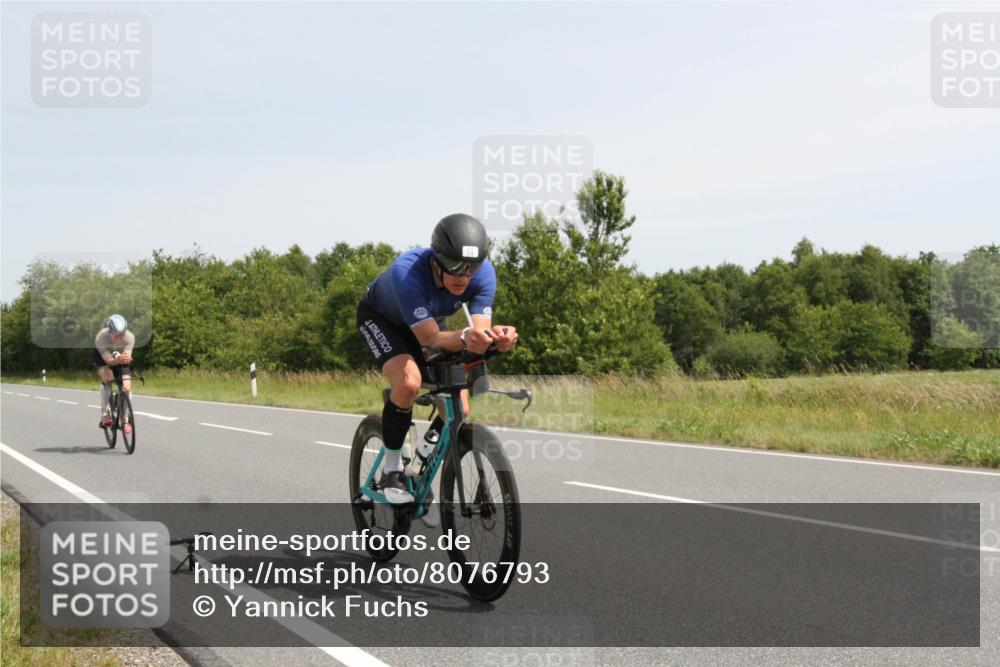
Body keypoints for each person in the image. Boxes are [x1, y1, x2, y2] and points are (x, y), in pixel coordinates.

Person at [357, 213, 518, 504]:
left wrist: (498, 339)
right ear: (437, 258)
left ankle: (419, 464)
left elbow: (476, 335)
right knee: (408, 382)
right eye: (455, 265)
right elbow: (429, 339)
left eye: (471, 267)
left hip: (428, 323)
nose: (463, 275)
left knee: (460, 408)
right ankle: (392, 470)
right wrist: (467, 337)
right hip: (384, 320)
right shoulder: (407, 273)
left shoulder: (482, 276)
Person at [94, 314, 135, 429]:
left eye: (122, 334)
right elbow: (108, 360)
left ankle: (124, 416)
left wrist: (126, 358)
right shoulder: (101, 337)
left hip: (120, 357)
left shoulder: (129, 337)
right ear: (110, 331)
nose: (119, 338)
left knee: (127, 387)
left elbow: (127, 357)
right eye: (116, 335)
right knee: (108, 376)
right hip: (104, 358)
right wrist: (116, 359)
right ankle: (105, 413)